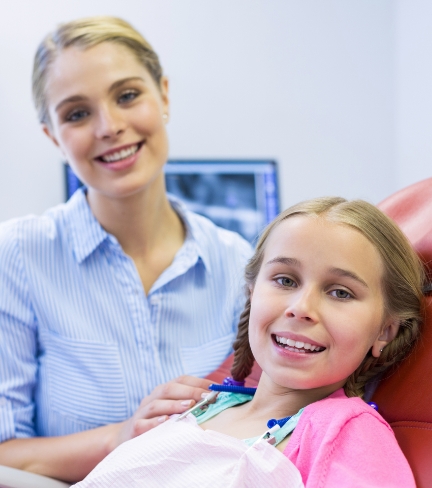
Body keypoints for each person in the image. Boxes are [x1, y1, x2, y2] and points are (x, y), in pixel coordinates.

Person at [0, 16, 252, 482]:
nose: (110, 126)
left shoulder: (238, 263)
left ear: (165, 96)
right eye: (77, 113)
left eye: (128, 95)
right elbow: (4, 452)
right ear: (53, 136)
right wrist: (118, 439)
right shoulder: (17, 256)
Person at [74, 196, 425, 487]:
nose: (300, 308)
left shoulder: (348, 435)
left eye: (340, 292)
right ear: (252, 292)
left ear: (384, 331)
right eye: (286, 281)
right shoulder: (204, 405)